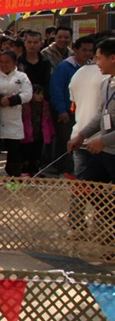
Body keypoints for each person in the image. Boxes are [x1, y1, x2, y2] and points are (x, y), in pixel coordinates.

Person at [68, 37, 115, 245]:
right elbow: (100, 114)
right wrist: (82, 135)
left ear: (112, 58)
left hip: (109, 148)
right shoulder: (106, 82)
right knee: (87, 185)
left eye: (99, 58)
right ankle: (110, 225)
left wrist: (103, 140)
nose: (96, 63)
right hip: (104, 149)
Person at [50, 35, 95, 176]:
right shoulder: (64, 66)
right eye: (84, 50)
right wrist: (61, 110)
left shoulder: (93, 67)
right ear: (75, 50)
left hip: (85, 111)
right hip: (67, 111)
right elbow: (56, 89)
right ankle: (64, 169)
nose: (87, 53)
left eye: (90, 50)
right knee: (66, 140)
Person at [0, 51, 33, 177]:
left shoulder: (21, 76)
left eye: (7, 62)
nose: (4, 64)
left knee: (14, 151)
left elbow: (27, 94)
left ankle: (13, 177)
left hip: (13, 118)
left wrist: (12, 100)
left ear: (14, 62)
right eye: (1, 62)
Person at [21, 85, 55, 175]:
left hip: (40, 134)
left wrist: (51, 132)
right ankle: (25, 171)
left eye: (42, 94)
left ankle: (35, 170)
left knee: (37, 153)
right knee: (26, 153)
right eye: (37, 94)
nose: (41, 96)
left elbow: (48, 120)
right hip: (27, 134)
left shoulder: (45, 105)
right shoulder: (25, 106)